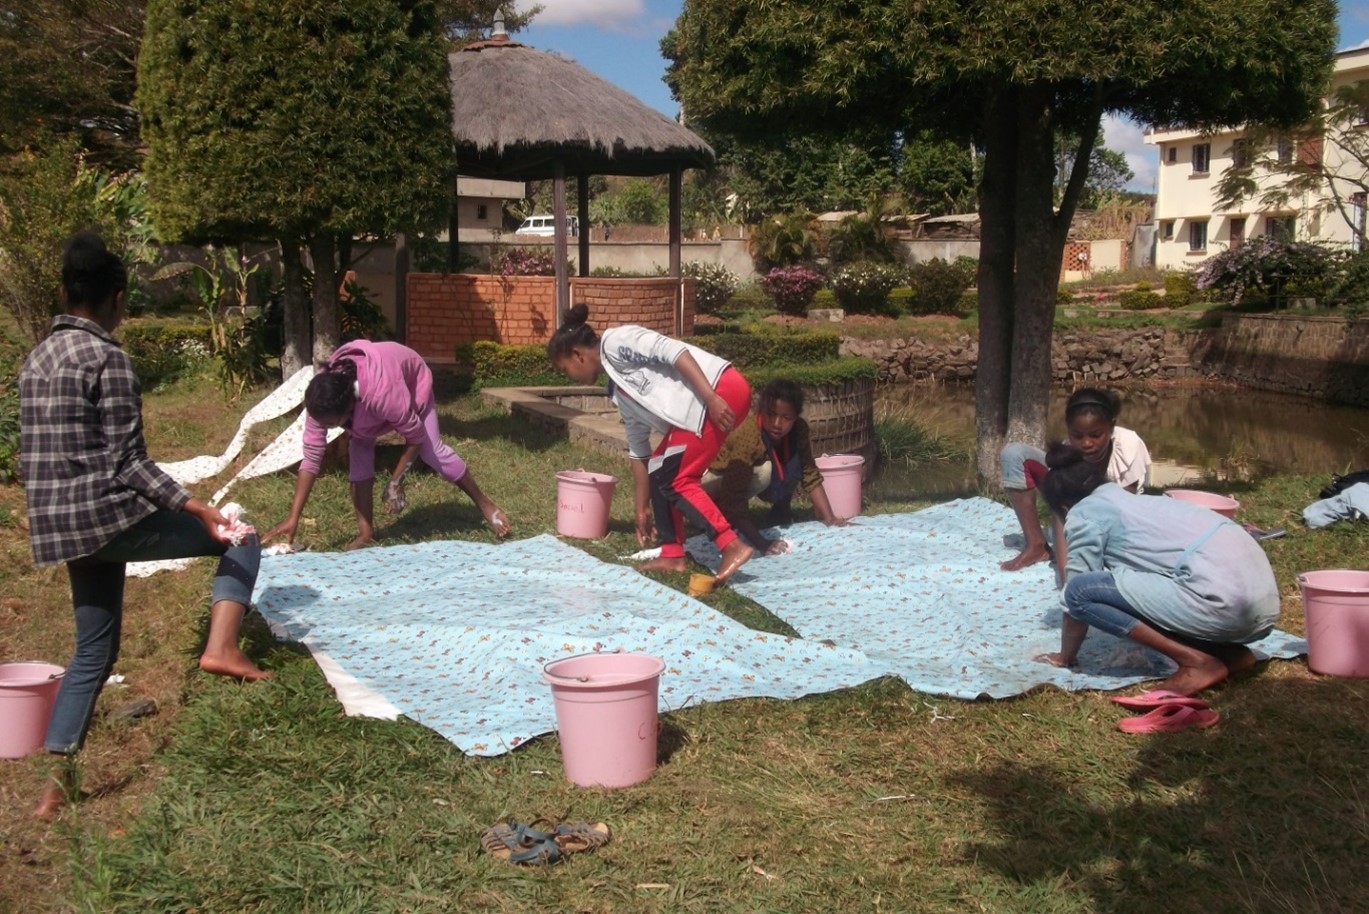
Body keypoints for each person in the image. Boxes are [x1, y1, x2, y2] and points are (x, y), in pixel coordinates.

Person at [19, 232, 270, 820]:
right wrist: (198, 508)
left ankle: (55, 789)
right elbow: (127, 464)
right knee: (243, 535)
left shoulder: (36, 359)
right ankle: (223, 648)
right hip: (107, 519)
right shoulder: (108, 360)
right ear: (119, 299)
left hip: (60, 529)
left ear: (63, 292)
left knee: (93, 652)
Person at [1035, 443, 1278, 696]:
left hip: (1226, 606)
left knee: (1079, 592)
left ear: (1064, 509)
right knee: (1133, 589)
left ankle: (1197, 662)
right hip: (1264, 608)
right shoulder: (1136, 503)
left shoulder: (1084, 513)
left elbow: (1076, 594)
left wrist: (1065, 656)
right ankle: (1229, 654)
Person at [547, 304, 754, 584]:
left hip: (720, 391)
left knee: (677, 478)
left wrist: (711, 397)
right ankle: (672, 553)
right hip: (699, 410)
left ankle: (730, 544)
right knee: (660, 467)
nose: (568, 375)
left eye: (564, 369)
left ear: (577, 355)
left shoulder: (617, 342)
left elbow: (673, 351)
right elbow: (639, 449)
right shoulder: (618, 389)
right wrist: (641, 506)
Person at [264, 340, 509, 551]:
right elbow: (312, 457)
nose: (324, 429)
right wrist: (293, 517)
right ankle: (365, 532)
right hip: (365, 407)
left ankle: (486, 505)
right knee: (358, 455)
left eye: (330, 425)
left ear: (348, 408)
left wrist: (395, 482)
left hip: (411, 385)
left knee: (433, 454)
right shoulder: (322, 396)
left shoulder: (383, 395)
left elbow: (415, 437)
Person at [999, 387, 1150, 577]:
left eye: (1096, 435)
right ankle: (1037, 546)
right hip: (1076, 512)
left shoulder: (1129, 445)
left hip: (1119, 520)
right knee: (1013, 454)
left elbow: (1125, 510)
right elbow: (1059, 512)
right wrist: (1065, 577)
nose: (1086, 443)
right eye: (1077, 436)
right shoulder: (1067, 453)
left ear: (1111, 427)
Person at [702, 378, 848, 554]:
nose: (777, 424)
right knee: (765, 472)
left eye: (786, 418)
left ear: (795, 417)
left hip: (744, 480)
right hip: (714, 478)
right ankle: (714, 512)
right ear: (762, 411)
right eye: (771, 414)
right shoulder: (749, 433)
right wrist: (762, 543)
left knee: (791, 461)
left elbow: (809, 473)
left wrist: (830, 520)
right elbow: (734, 496)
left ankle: (780, 511)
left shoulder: (799, 430)